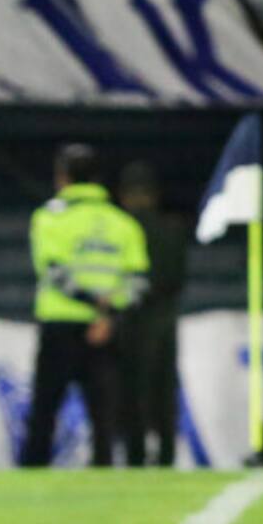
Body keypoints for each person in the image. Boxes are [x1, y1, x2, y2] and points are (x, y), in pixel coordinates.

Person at [21, 144, 149, 468]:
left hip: (60, 325)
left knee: (45, 411)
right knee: (103, 418)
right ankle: (103, 483)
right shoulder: (124, 224)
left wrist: (90, 304)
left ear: (62, 178)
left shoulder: (48, 217)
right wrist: (107, 315)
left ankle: (32, 478)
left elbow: (53, 273)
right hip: (106, 330)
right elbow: (138, 282)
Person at [116, 162, 188, 467]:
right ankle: (167, 455)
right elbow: (178, 277)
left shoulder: (120, 228)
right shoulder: (173, 228)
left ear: (123, 195)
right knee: (164, 389)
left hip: (131, 318)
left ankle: (136, 456)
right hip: (165, 317)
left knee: (133, 390)